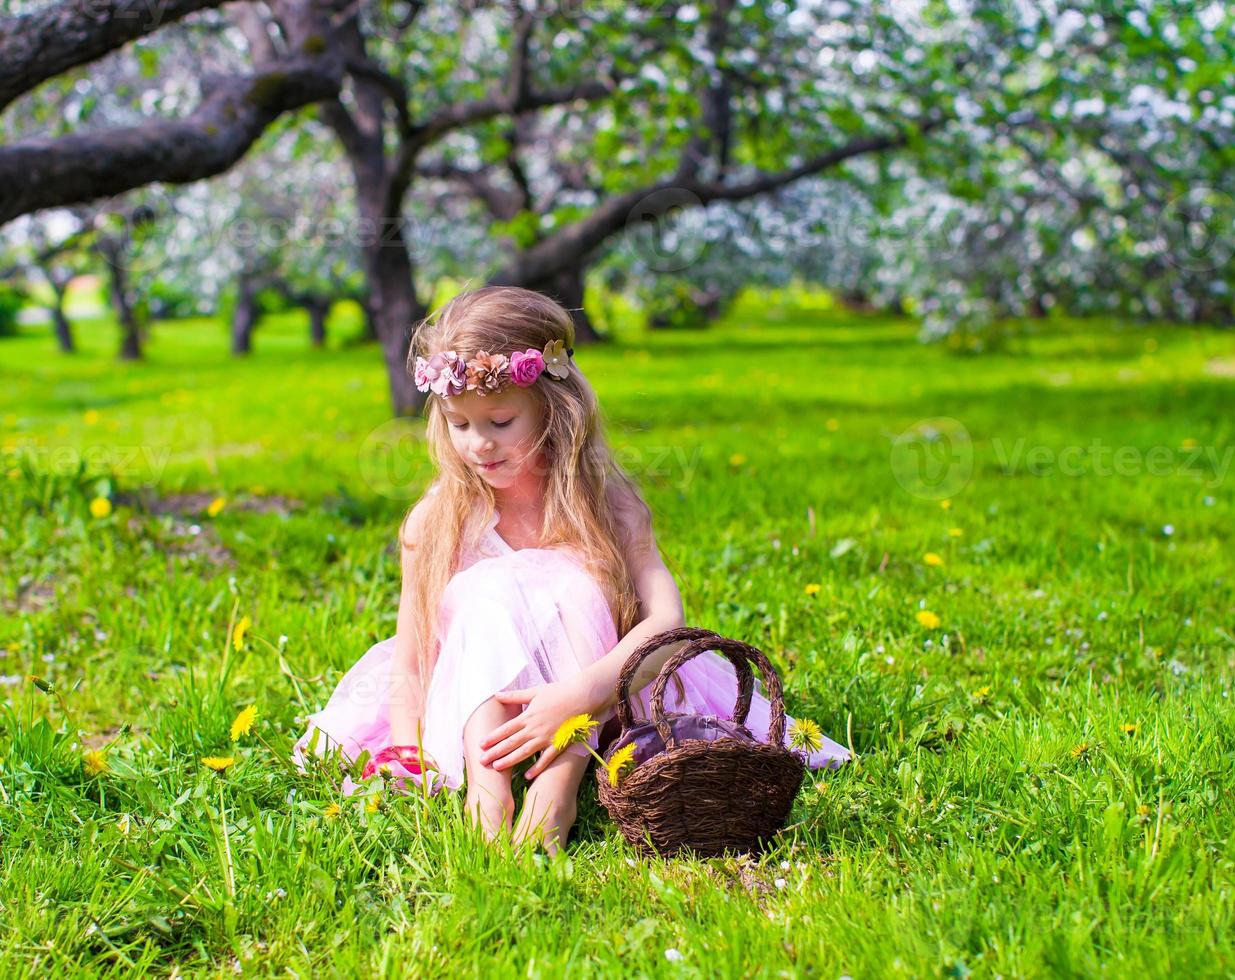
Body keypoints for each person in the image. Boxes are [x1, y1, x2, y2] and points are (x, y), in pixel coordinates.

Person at [293, 286, 850, 854]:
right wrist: (409, 750)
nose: (479, 444)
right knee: (484, 591)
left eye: (501, 420)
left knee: (575, 585)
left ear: (554, 408)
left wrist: (579, 694)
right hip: (474, 696)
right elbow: (413, 658)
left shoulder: (607, 505)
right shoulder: (436, 521)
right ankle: (488, 795)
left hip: (607, 688)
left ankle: (557, 787)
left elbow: (667, 618)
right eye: (459, 425)